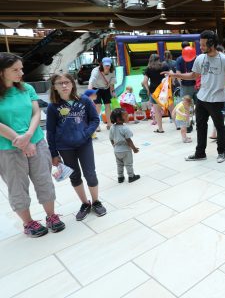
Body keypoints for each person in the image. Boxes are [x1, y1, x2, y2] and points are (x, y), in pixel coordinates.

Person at [0, 53, 65, 237]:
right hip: (8, 149)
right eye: (15, 70)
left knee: (44, 180)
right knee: (17, 186)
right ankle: (28, 223)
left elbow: (36, 113)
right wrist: (20, 141)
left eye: (21, 68)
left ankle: (51, 216)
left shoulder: (27, 88)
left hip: (36, 141)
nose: (21, 73)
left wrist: (28, 135)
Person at [167, 30, 225, 163]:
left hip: (218, 100)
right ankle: (200, 153)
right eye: (200, 44)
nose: (201, 47)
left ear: (212, 44)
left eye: (204, 45)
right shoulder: (200, 58)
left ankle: (221, 152)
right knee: (200, 126)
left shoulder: (224, 60)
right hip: (202, 99)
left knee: (219, 126)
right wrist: (175, 75)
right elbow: (193, 75)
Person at [46, 73, 106, 221]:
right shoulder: (53, 107)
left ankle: (96, 201)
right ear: (54, 87)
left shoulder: (84, 100)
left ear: (72, 84)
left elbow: (95, 119)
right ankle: (85, 203)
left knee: (90, 173)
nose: (64, 85)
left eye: (67, 82)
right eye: (60, 83)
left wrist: (85, 134)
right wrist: (54, 153)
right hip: (65, 147)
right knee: (74, 175)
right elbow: (50, 131)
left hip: (84, 144)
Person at [109, 108, 140, 183]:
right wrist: (134, 149)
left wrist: (114, 147)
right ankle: (131, 176)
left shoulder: (112, 127)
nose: (127, 117)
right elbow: (128, 140)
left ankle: (120, 177)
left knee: (119, 164)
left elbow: (111, 139)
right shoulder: (125, 128)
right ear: (118, 119)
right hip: (125, 150)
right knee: (128, 164)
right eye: (125, 116)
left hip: (117, 150)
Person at [142, 53, 170, 133]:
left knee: (157, 111)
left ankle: (160, 128)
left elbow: (145, 81)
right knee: (170, 107)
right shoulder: (164, 66)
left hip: (154, 91)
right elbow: (170, 74)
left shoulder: (148, 69)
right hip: (164, 90)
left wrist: (147, 90)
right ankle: (178, 125)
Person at [88, 57, 116, 131]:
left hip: (106, 88)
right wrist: (89, 92)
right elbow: (91, 81)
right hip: (96, 88)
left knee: (108, 105)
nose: (107, 66)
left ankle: (109, 123)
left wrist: (113, 92)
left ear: (111, 65)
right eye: (105, 65)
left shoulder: (112, 71)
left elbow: (112, 82)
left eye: (108, 65)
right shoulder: (96, 71)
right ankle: (97, 125)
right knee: (98, 105)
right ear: (102, 64)